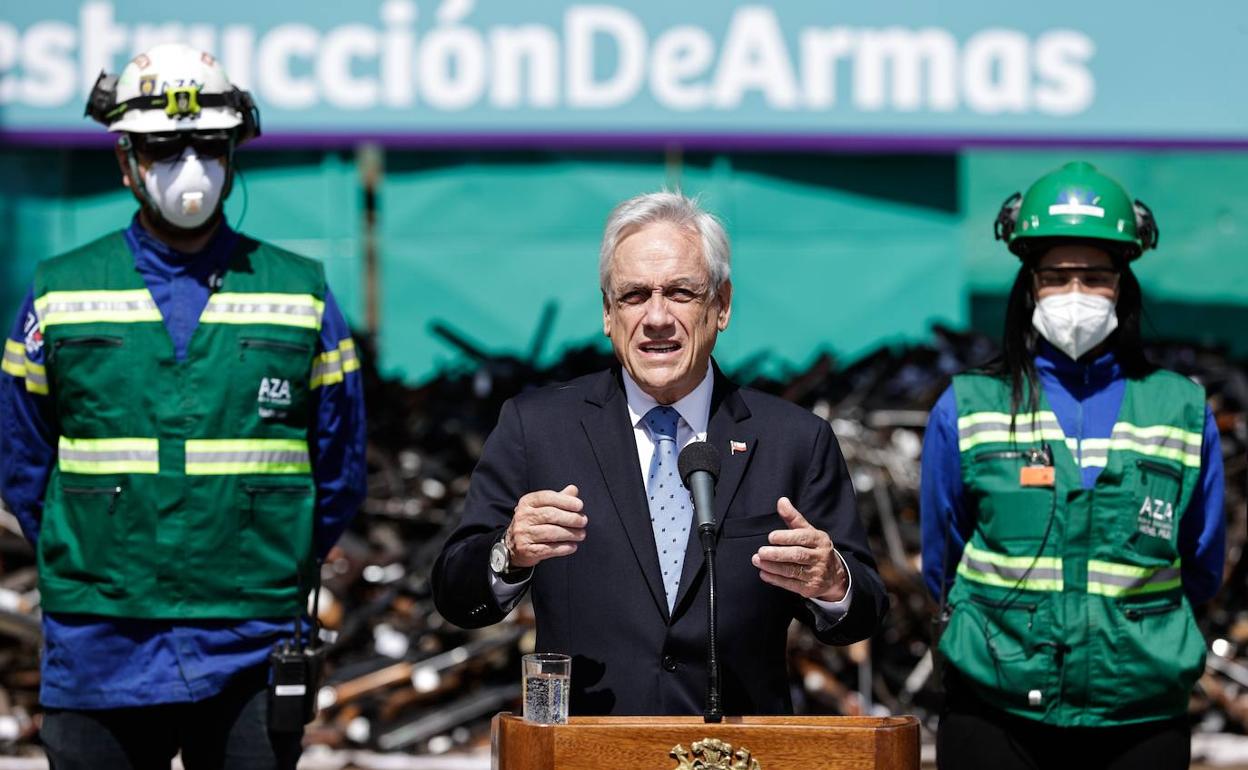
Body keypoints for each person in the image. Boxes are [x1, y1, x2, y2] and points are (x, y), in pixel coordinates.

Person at [0, 43, 367, 769]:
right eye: (165, 146)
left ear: (234, 152)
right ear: (125, 160)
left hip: (252, 642)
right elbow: (23, 462)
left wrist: (266, 563)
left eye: (208, 144)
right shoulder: (59, 292)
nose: (189, 166)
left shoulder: (302, 295)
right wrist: (101, 556)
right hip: (100, 642)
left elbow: (340, 465)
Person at [432, 191, 887, 715]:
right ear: (607, 313)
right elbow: (455, 594)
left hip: (736, 749)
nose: (656, 318)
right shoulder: (536, 429)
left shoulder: (794, 440)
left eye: (680, 293)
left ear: (722, 305)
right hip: (587, 748)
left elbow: (866, 611)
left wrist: (832, 584)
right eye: (633, 296)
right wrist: (509, 553)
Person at [920, 162, 1225, 769]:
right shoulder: (969, 406)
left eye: (1096, 276)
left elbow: (1201, 562)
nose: (1076, 293)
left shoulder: (1181, 408)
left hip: (1139, 714)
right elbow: (942, 561)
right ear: (1029, 284)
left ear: (1123, 285)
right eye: (1057, 276)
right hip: (995, 709)